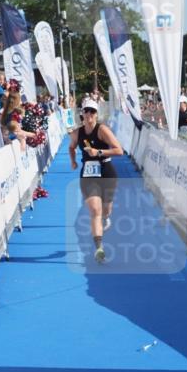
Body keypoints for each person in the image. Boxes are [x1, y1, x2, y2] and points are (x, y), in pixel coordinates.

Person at [69, 99, 122, 264]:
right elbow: (71, 147)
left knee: (106, 210)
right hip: (88, 174)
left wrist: (98, 152)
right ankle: (99, 248)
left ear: (96, 114)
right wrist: (73, 161)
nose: (89, 114)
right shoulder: (77, 133)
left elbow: (119, 150)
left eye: (92, 111)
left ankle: (106, 218)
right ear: (82, 114)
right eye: (87, 111)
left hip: (106, 171)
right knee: (94, 211)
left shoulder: (102, 130)